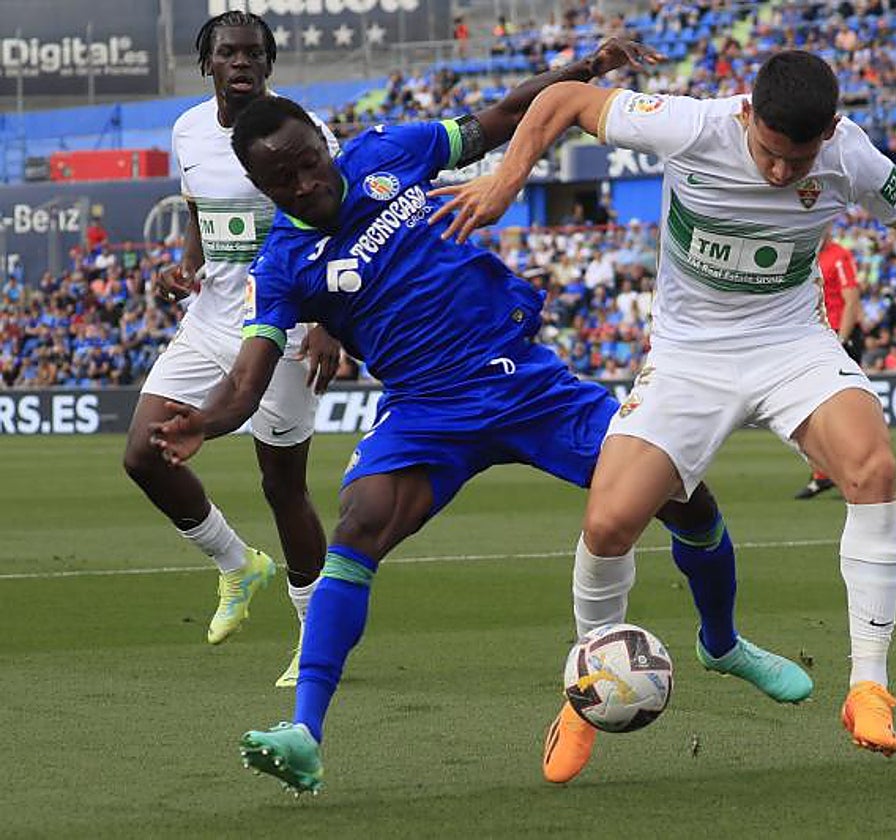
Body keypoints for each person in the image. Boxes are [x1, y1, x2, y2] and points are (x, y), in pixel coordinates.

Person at [151, 42, 809, 796]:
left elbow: (499, 119)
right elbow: (246, 380)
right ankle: (305, 731)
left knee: (684, 493)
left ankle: (721, 644)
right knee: (359, 520)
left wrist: (581, 72)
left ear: (322, 144)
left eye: (309, 162)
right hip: (428, 412)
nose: (305, 184)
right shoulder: (283, 267)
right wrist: (206, 419)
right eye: (282, 180)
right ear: (259, 185)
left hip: (526, 382)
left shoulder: (389, 151)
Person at [431, 49, 896, 764]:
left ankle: (869, 686)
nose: (783, 173)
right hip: (689, 358)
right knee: (608, 521)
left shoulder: (852, 157)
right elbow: (565, 98)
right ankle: (585, 695)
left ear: (831, 130)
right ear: (747, 115)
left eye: (799, 159)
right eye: (771, 154)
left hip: (792, 347)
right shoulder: (692, 126)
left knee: (872, 471)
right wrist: (506, 181)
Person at [121, 11, 343, 688]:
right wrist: (188, 264)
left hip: (283, 329)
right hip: (210, 319)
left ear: (269, 65)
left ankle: (315, 635)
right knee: (141, 453)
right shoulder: (188, 129)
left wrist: (330, 323)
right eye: (228, 53)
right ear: (208, 64)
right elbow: (197, 209)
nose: (241, 62)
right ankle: (236, 563)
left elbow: (335, 221)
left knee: (283, 488)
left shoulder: (300, 131)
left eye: (253, 53)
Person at [795, 233, 864, 500]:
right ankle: (823, 474)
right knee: (808, 407)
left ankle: (851, 472)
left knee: (843, 408)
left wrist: (842, 340)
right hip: (813, 334)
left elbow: (851, 299)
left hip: (836, 335)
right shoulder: (805, 252)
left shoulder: (839, 256)